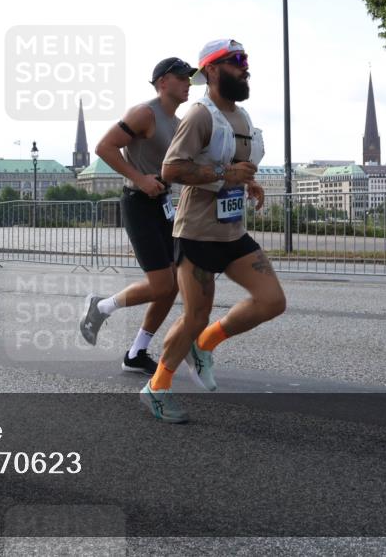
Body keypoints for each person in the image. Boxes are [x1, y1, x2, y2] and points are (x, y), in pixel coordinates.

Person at [140, 39, 286, 422]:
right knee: (194, 315)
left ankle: (203, 346)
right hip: (197, 233)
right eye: (237, 61)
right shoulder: (198, 115)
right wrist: (225, 174)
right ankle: (156, 387)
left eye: (246, 60)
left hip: (231, 232)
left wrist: (247, 183)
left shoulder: (242, 118)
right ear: (213, 70)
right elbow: (172, 170)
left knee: (272, 301)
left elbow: (236, 165)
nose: (245, 67)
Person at [80, 57, 196, 374]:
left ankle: (136, 353)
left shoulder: (178, 122)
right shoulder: (144, 113)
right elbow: (104, 147)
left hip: (163, 206)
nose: (188, 82)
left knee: (172, 286)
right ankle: (101, 306)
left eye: (190, 77)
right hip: (138, 204)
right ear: (162, 82)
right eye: (182, 76)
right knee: (161, 286)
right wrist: (141, 179)